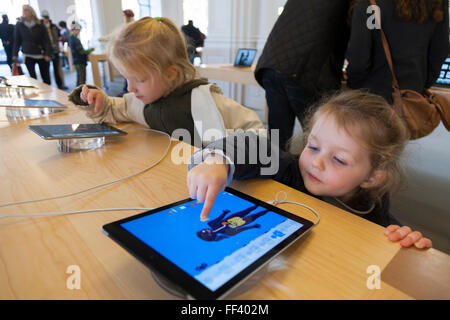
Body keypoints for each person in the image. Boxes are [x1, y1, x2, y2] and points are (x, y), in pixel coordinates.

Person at [187, 90, 433, 249]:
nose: (316, 162)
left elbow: (383, 230)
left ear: (372, 177)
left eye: (338, 159)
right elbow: (252, 144)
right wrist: (216, 160)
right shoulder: (290, 170)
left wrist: (402, 235)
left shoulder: (373, 203)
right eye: (313, 146)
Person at [68, 17, 265, 147]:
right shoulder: (141, 101)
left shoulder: (208, 102)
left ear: (170, 73)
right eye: (126, 78)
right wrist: (98, 101)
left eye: (139, 79)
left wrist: (224, 157)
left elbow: (258, 135)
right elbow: (115, 109)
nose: (129, 87)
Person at [254, 0, 350, 151]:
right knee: (318, 136)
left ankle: (273, 173)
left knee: (277, 136)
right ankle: (310, 172)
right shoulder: (351, 4)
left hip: (271, 64)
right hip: (301, 70)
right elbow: (344, 41)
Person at [346, 0, 449, 104]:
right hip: (413, 98)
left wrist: (354, 85)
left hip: (372, 100)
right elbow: (440, 50)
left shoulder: (368, 4)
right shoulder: (436, 3)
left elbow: (358, 62)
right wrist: (421, 84)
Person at [98, 9, 135, 96]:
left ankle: (127, 91)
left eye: (124, 16)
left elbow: (113, 36)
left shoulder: (130, 26)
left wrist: (102, 38)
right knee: (127, 73)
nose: (124, 17)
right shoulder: (127, 25)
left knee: (129, 73)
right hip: (126, 54)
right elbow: (113, 36)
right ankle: (126, 90)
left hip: (130, 54)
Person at [12, 5, 52, 84]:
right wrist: (15, 54)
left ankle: (48, 95)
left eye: (26, 10)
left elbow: (46, 40)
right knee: (33, 79)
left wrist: (48, 53)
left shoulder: (40, 24)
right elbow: (17, 40)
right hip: (28, 54)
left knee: (46, 77)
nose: (24, 12)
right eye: (23, 11)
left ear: (31, 12)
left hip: (41, 53)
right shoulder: (19, 24)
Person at [41, 10, 67, 90]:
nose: (46, 19)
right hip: (46, 52)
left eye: (47, 17)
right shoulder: (40, 27)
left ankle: (60, 85)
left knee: (57, 69)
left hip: (55, 50)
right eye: (44, 17)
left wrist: (60, 42)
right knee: (46, 70)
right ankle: (47, 86)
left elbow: (60, 36)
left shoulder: (54, 26)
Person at [68, 21, 94, 86]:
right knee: (82, 79)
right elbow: (82, 52)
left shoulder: (71, 38)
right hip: (80, 61)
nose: (79, 32)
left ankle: (78, 93)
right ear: (75, 29)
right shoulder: (75, 39)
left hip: (77, 61)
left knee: (79, 78)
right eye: (78, 30)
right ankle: (80, 94)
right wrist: (91, 49)